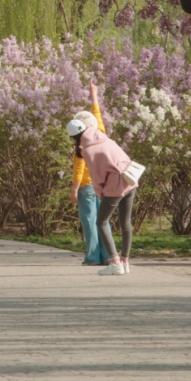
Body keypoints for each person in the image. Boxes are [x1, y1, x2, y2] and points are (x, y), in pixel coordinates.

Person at [67, 107, 137, 276]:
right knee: (125, 223)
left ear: (72, 137)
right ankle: (125, 262)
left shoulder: (88, 150)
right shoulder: (103, 137)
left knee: (101, 222)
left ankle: (114, 263)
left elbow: (96, 176)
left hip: (115, 184)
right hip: (130, 178)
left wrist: (101, 193)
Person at [71, 101, 110, 266]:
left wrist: (74, 190)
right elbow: (98, 118)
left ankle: (93, 257)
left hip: (86, 187)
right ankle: (108, 255)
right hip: (102, 185)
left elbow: (79, 170)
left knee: (89, 221)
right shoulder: (101, 135)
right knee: (103, 221)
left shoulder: (80, 147)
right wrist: (94, 98)